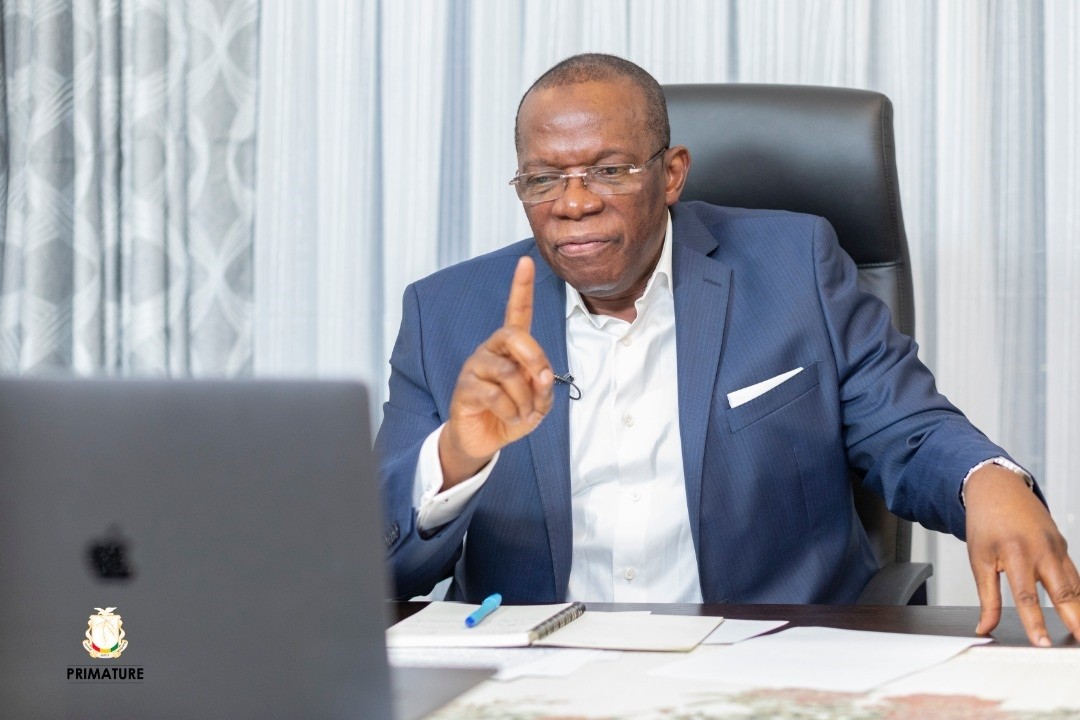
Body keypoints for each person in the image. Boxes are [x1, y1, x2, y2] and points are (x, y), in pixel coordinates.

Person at [376, 53, 1080, 647]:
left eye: (610, 170)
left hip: (764, 656)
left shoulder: (796, 266)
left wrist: (986, 480)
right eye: (543, 179)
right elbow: (375, 568)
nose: (574, 202)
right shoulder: (447, 315)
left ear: (672, 174)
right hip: (540, 673)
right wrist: (456, 456)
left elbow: (908, 428)